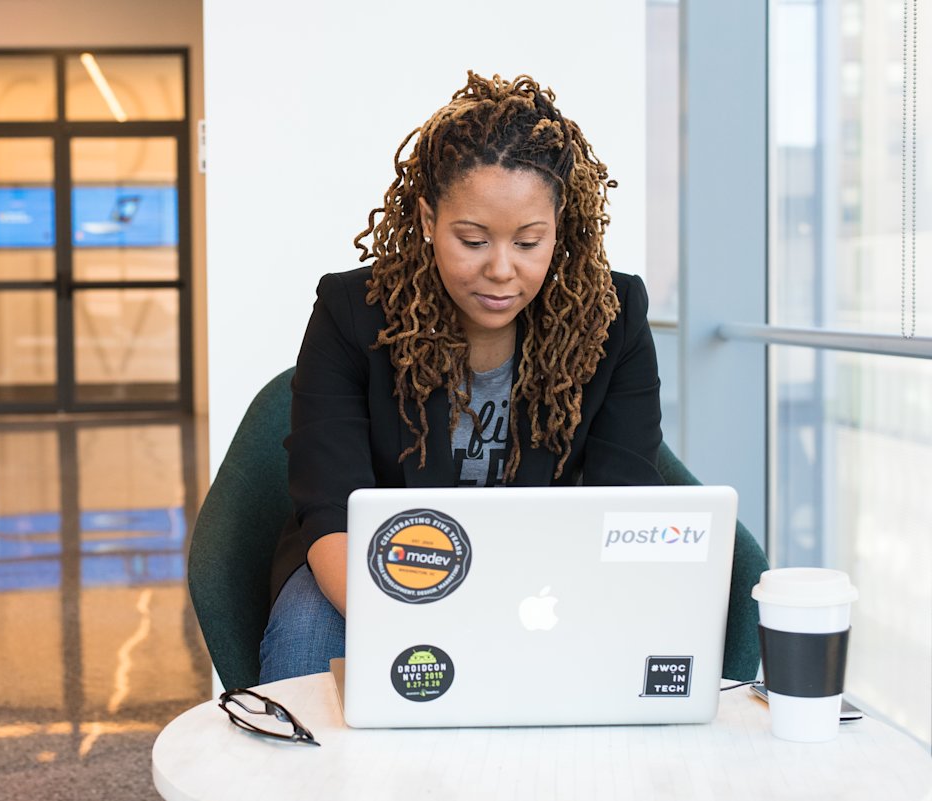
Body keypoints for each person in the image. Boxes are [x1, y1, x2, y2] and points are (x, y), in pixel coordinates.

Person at [259, 72, 664, 683]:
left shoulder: (610, 316)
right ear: (427, 218)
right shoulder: (352, 312)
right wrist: (439, 627)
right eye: (472, 240)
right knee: (309, 630)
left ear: (561, 225)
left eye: (530, 242)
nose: (502, 270)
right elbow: (331, 510)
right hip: (378, 568)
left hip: (539, 576)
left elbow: (624, 506)